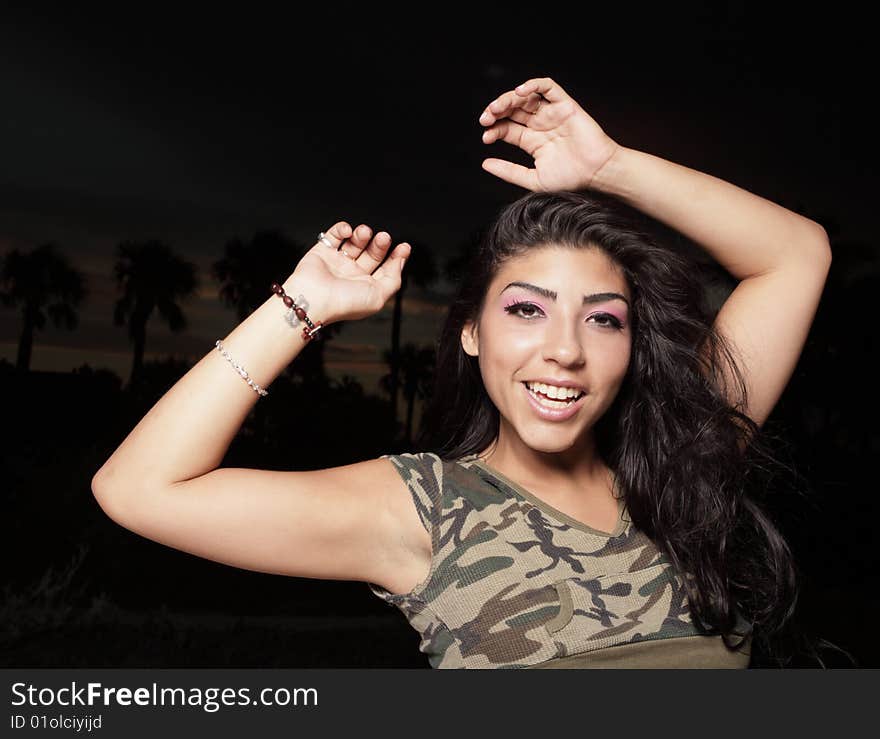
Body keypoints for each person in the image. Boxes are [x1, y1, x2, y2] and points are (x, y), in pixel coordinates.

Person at [91, 76, 833, 669]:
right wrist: (301, 305)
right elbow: (136, 489)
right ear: (472, 332)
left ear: (633, 344)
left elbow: (797, 253)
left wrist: (610, 168)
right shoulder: (425, 508)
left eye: (603, 317)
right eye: (526, 311)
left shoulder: (683, 463)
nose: (565, 349)